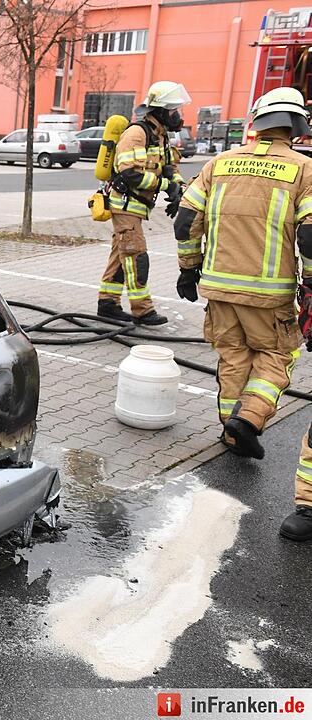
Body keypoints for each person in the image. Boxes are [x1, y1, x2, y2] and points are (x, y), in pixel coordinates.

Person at [173, 86, 312, 467]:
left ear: (258, 121)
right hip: (270, 295)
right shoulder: (304, 169)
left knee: (232, 357)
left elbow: (185, 223)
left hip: (218, 288)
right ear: (297, 125)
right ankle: (248, 419)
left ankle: (230, 430)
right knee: (279, 354)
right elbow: (311, 236)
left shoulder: (219, 164)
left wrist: (188, 270)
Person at [98, 81, 191, 326]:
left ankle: (107, 304)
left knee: (121, 254)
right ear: (160, 111)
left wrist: (178, 189)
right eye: (173, 111)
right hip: (125, 204)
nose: (177, 116)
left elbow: (170, 168)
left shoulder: (161, 137)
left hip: (138, 207)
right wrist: (165, 186)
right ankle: (143, 310)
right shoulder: (136, 133)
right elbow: (130, 174)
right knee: (136, 255)